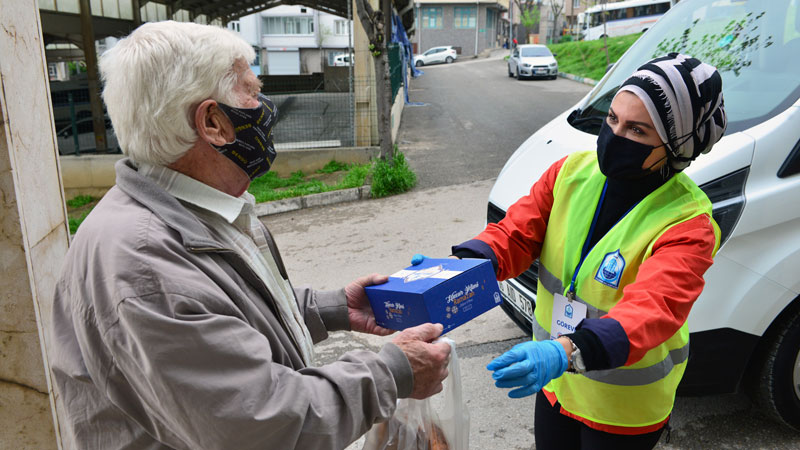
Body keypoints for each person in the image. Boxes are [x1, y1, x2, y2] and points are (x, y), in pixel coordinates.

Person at [50, 21, 451, 450]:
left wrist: (329, 309)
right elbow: (262, 424)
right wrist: (392, 372)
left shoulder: (196, 208)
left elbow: (223, 316)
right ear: (213, 123)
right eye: (251, 92)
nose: (264, 107)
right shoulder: (145, 267)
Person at [416, 53, 727, 448]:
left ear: (677, 145)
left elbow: (652, 309)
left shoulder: (688, 223)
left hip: (621, 408)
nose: (614, 136)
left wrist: (566, 351)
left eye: (637, 130)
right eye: (612, 118)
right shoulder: (571, 172)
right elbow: (515, 234)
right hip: (557, 384)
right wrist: (460, 267)